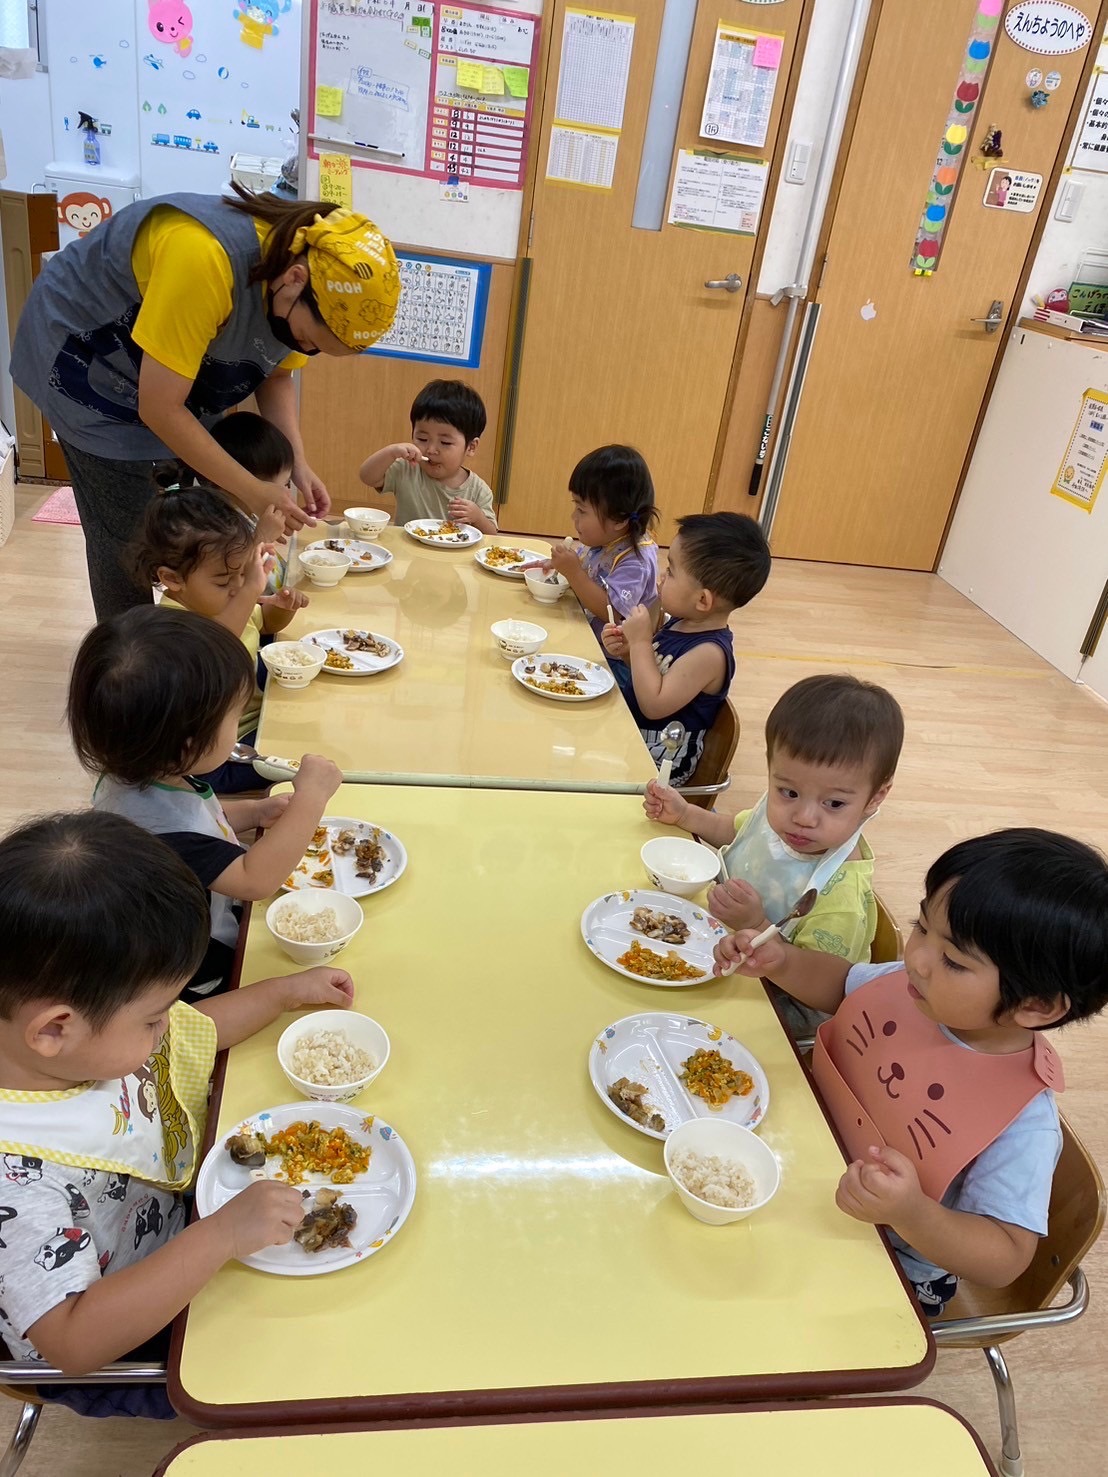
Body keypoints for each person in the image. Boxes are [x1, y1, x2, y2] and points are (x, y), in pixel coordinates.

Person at [0, 809, 354, 1380]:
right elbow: (73, 1342)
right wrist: (220, 1236)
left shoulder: (69, 1045)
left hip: (192, 1228)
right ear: (52, 1030)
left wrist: (284, 992)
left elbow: (196, 1030)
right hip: (138, 1336)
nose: (167, 1026)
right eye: (152, 1018)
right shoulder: (17, 1182)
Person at [713, 828, 1108, 1315]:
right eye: (922, 927)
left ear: (1036, 1006)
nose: (916, 959)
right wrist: (782, 961)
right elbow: (843, 987)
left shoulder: (1022, 1124)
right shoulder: (910, 986)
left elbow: (1004, 1257)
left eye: (954, 961)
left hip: (891, 1257)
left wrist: (911, 1212)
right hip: (805, 1157)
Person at [11, 185, 400, 621]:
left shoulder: (291, 279)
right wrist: (251, 489)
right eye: (308, 338)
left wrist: (301, 464)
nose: (302, 347)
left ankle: (188, 641)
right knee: (126, 535)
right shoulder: (204, 256)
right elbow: (160, 409)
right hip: (89, 357)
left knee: (195, 526)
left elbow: (275, 373)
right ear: (295, 280)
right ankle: (133, 668)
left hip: (163, 374)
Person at [67, 607, 343, 1000]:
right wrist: (311, 798)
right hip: (196, 965)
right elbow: (255, 879)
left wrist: (254, 812)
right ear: (189, 745)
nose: (239, 730)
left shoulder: (140, 772)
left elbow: (195, 816)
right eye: (233, 717)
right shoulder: (159, 839)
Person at [645, 675, 903, 1032]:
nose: (803, 817)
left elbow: (819, 988)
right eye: (788, 792)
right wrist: (686, 814)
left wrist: (756, 924)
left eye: (834, 803)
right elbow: (740, 831)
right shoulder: (784, 818)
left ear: (876, 797)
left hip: (778, 1009)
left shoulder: (840, 898)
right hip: (718, 948)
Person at [129, 484, 307, 791]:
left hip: (251, 707)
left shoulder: (227, 598)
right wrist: (251, 588)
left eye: (241, 574)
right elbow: (214, 648)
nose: (238, 586)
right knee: (299, 758)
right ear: (172, 579)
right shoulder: (171, 624)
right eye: (224, 580)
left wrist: (282, 607)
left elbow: (262, 625)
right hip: (217, 754)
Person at [601, 512, 771, 785]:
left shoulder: (709, 654)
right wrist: (628, 650)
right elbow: (656, 676)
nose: (662, 577)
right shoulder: (682, 623)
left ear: (702, 600)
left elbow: (654, 705)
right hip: (633, 736)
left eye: (671, 571)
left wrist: (643, 642)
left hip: (660, 764)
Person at [530, 445, 658, 641]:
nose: (573, 516)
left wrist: (573, 573)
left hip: (612, 659)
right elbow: (585, 564)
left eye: (581, 510)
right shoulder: (607, 538)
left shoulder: (636, 561)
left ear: (619, 519)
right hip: (582, 631)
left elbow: (612, 613)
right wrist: (558, 565)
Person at [357, 379, 497, 535]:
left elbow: (491, 534)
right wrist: (391, 452)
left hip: (453, 557)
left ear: (470, 447)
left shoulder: (478, 490)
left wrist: (477, 517)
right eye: (422, 439)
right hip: (407, 551)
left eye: (445, 442)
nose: (430, 449)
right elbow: (367, 477)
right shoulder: (408, 468)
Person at [209, 410, 297, 593]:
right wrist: (262, 537)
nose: (286, 493)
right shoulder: (214, 524)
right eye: (281, 485)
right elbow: (232, 579)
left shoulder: (250, 511)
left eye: (288, 484)